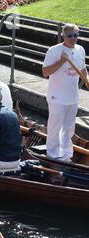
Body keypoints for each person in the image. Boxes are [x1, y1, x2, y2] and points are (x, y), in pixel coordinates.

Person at [42, 23, 88, 161]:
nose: (73, 38)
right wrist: (62, 61)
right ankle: (52, 154)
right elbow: (45, 72)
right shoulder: (54, 51)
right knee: (55, 127)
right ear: (63, 35)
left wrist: (87, 79)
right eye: (70, 35)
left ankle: (67, 154)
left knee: (69, 128)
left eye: (76, 35)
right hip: (57, 97)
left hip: (72, 96)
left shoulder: (80, 49)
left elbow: (82, 67)